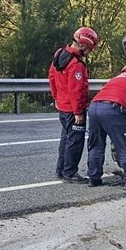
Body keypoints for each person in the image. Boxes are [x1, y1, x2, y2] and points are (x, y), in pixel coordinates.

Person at [86, 63, 126, 189]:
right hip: (114, 109)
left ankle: (93, 178)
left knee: (96, 145)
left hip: (94, 107)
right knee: (125, 146)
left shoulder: (114, 79)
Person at [49, 27, 98, 183]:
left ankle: (61, 169)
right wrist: (78, 112)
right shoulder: (76, 64)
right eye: (89, 48)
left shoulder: (59, 55)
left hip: (63, 106)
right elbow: (76, 89)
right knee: (75, 141)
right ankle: (70, 172)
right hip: (73, 109)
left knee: (65, 139)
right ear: (83, 45)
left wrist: (56, 97)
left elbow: (51, 78)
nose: (89, 52)